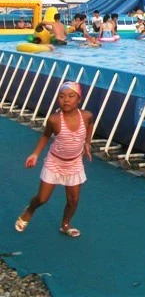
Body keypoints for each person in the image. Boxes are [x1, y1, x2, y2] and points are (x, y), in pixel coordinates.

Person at [15, 81, 93, 238]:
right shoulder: (54, 119)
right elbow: (45, 136)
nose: (66, 100)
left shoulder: (87, 116)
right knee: (42, 198)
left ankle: (65, 225)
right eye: (61, 96)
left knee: (73, 200)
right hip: (54, 162)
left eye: (71, 96)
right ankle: (29, 210)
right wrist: (35, 154)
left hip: (74, 163)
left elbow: (90, 125)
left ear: (79, 99)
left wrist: (87, 142)